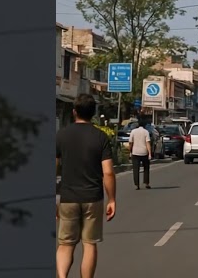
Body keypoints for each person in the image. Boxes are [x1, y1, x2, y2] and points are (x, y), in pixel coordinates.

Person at [56, 94, 116, 278]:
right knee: (89, 244)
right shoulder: (100, 137)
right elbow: (108, 172)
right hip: (92, 198)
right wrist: (112, 199)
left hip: (67, 198)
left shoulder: (61, 135)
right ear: (93, 113)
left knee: (65, 245)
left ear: (74, 112)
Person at [128, 118, 152, 190]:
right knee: (146, 168)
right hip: (144, 152)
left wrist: (130, 151)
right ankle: (146, 183)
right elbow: (148, 143)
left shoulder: (133, 131)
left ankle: (136, 185)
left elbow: (130, 143)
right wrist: (150, 153)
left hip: (135, 152)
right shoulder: (146, 132)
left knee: (136, 169)